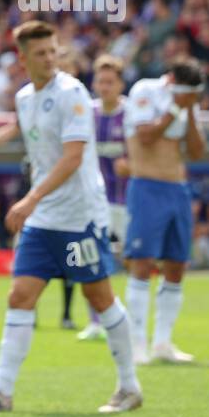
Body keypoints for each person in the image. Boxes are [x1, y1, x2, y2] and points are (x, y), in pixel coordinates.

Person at [0, 21, 141, 414]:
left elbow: (73, 158)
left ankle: (129, 387)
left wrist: (30, 199)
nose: (50, 59)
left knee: (100, 297)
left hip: (80, 215)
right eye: (40, 53)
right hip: (44, 216)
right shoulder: (25, 97)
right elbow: (16, 127)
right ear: (22, 58)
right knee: (20, 295)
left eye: (53, 51)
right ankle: (1, 390)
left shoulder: (72, 93)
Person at [123, 57, 208, 364]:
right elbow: (145, 137)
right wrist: (175, 108)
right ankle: (136, 344)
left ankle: (163, 343)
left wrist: (189, 110)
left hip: (178, 189)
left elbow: (197, 152)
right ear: (172, 81)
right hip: (146, 185)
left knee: (176, 265)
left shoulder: (189, 103)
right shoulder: (145, 90)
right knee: (142, 263)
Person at [76, 55, 131, 342]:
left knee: (133, 260)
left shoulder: (132, 113)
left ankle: (130, 318)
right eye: (101, 81)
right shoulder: (87, 112)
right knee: (91, 258)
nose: (105, 87)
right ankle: (95, 322)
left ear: (121, 83)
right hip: (95, 201)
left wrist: (131, 166)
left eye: (111, 81)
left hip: (128, 201)